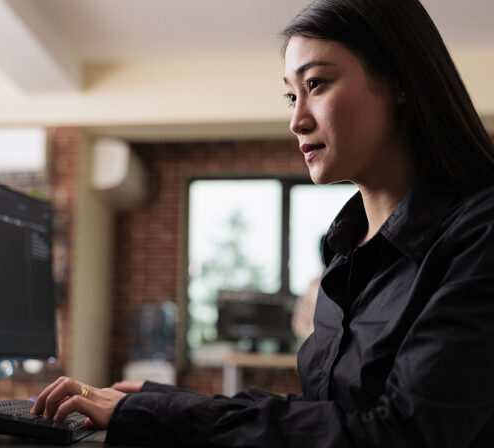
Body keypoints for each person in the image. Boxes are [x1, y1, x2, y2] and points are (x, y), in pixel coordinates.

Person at [31, 0, 494, 445]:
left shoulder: (479, 232)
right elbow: (328, 415)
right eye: (292, 95)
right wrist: (161, 400)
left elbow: (397, 433)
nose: (296, 119)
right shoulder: (345, 251)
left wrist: (163, 414)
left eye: (316, 84)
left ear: (398, 80)